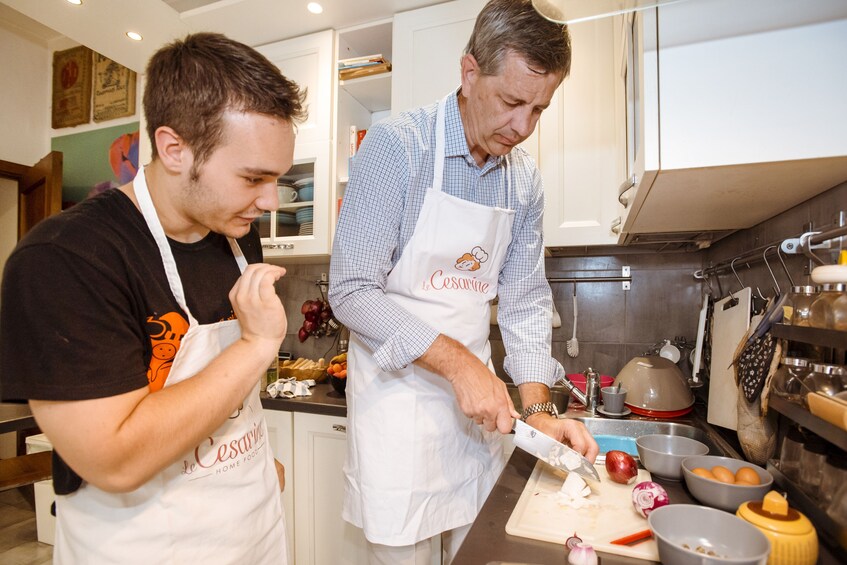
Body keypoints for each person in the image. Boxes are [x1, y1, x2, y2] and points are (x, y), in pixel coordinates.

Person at [0, 32, 305, 564]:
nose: (269, 201)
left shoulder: (235, 230)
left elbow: (228, 394)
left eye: (277, 178)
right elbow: (114, 459)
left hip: (251, 527)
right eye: (253, 177)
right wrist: (257, 346)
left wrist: (255, 457)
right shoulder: (65, 259)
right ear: (174, 148)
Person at [328, 1, 599, 562]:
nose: (523, 128)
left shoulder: (523, 181)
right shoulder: (397, 148)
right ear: (470, 72)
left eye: (540, 110)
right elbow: (351, 290)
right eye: (511, 102)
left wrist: (538, 410)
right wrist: (457, 362)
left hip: (478, 419)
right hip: (396, 412)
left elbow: (524, 303)